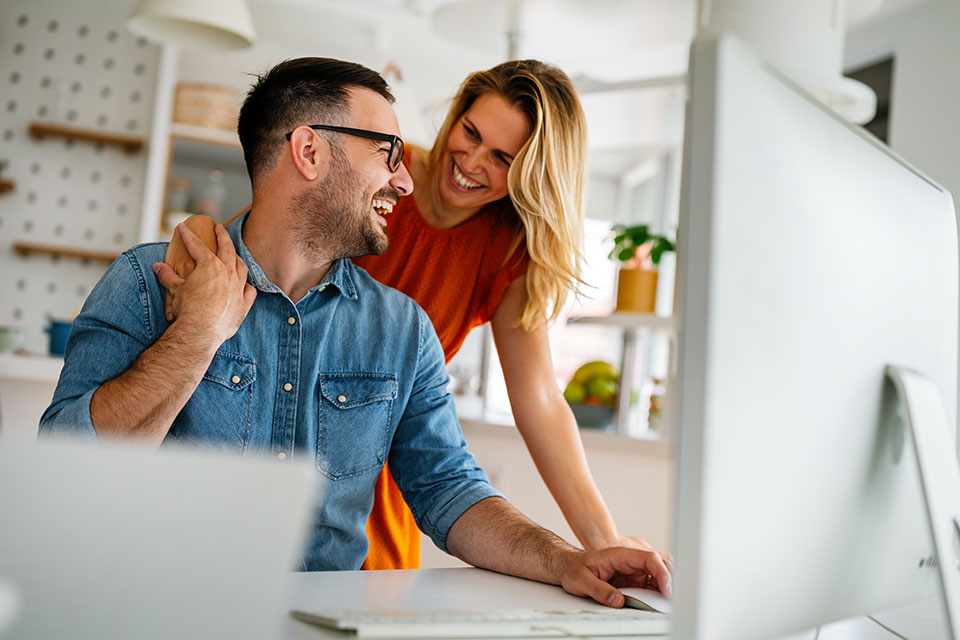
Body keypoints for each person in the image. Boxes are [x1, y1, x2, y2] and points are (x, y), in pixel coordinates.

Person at [39, 57, 671, 606]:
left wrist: (582, 552)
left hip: (360, 528)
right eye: (389, 154)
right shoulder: (157, 282)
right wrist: (199, 325)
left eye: (502, 157)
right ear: (310, 152)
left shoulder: (421, 316)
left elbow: (481, 456)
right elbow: (65, 475)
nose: (410, 176)